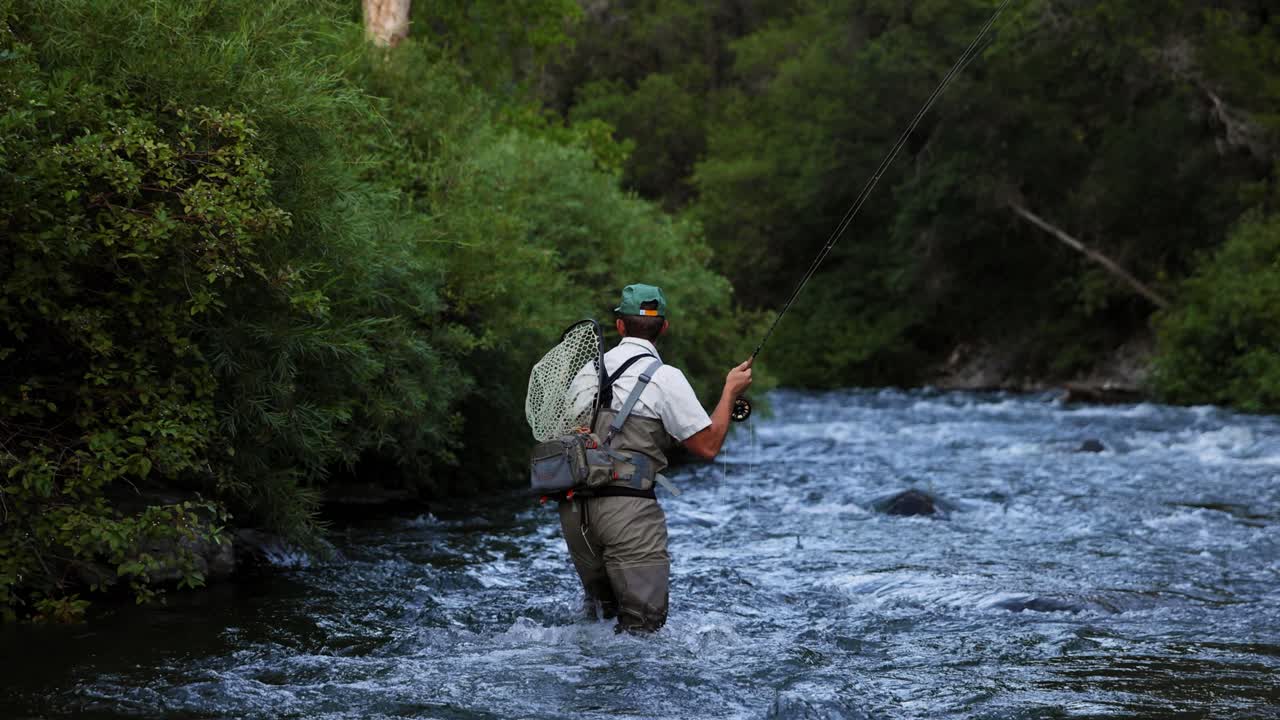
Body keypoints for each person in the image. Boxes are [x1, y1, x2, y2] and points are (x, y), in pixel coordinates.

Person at [558, 283, 753, 632]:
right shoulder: (665, 378)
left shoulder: (588, 372)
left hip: (576, 515)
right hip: (628, 512)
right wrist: (730, 392)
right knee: (641, 632)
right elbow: (707, 446)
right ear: (663, 327)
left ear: (620, 325)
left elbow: (565, 439)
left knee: (598, 624)